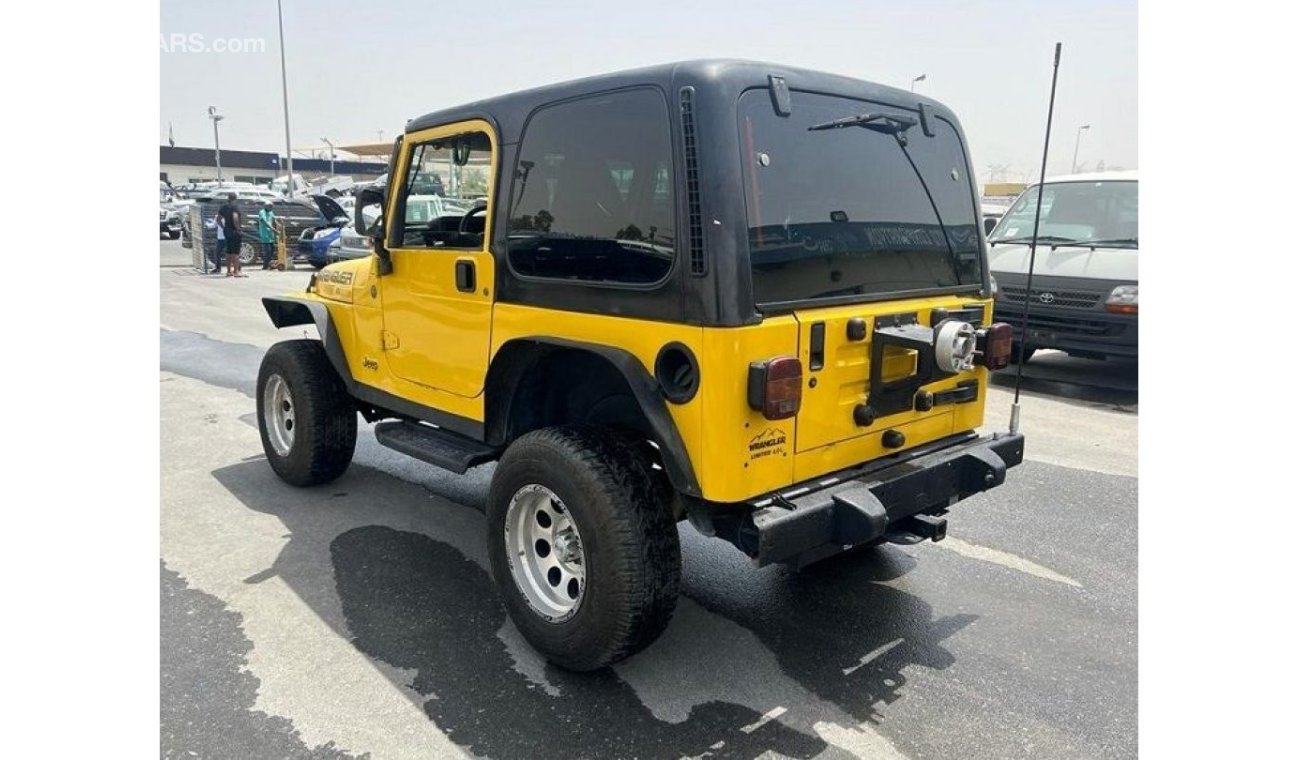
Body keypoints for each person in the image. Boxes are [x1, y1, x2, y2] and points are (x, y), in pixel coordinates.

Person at [216, 193, 245, 277]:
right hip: (235, 232)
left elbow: (218, 219)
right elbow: (235, 217)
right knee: (235, 253)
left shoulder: (224, 207)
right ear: (235, 199)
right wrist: (238, 229)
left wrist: (223, 227)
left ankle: (228, 271)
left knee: (228, 252)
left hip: (227, 231)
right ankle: (236, 271)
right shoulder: (235, 207)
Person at [257, 201, 278, 270]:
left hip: (271, 235)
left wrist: (279, 225)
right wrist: (273, 229)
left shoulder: (271, 212)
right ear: (266, 206)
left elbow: (274, 220)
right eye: (270, 207)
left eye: (272, 207)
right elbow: (264, 222)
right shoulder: (262, 212)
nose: (272, 208)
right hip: (265, 234)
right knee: (267, 251)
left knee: (272, 251)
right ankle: (265, 266)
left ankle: (270, 265)